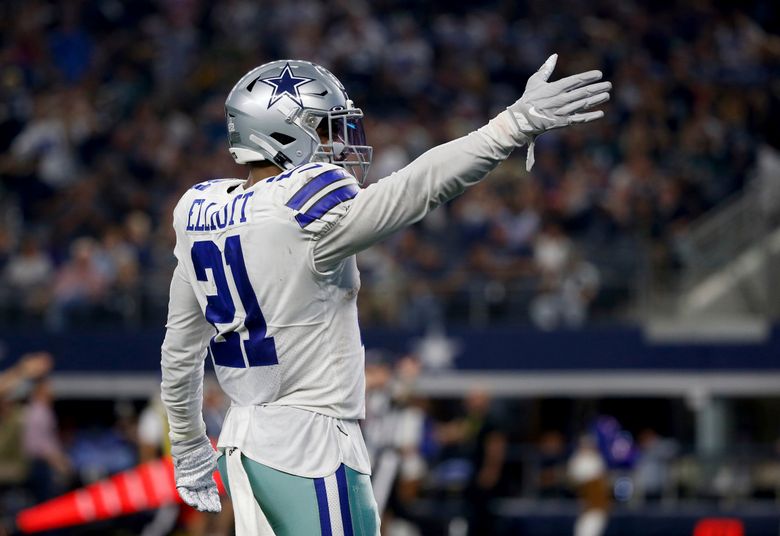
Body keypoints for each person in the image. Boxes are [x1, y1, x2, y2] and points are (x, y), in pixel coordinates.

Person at [160, 57, 611, 535]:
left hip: (243, 442)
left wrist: (189, 450)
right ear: (281, 133)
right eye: (325, 129)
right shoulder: (301, 206)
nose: (339, 144)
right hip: (310, 443)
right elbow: (415, 190)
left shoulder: (200, 212)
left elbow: (180, 351)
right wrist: (510, 126)